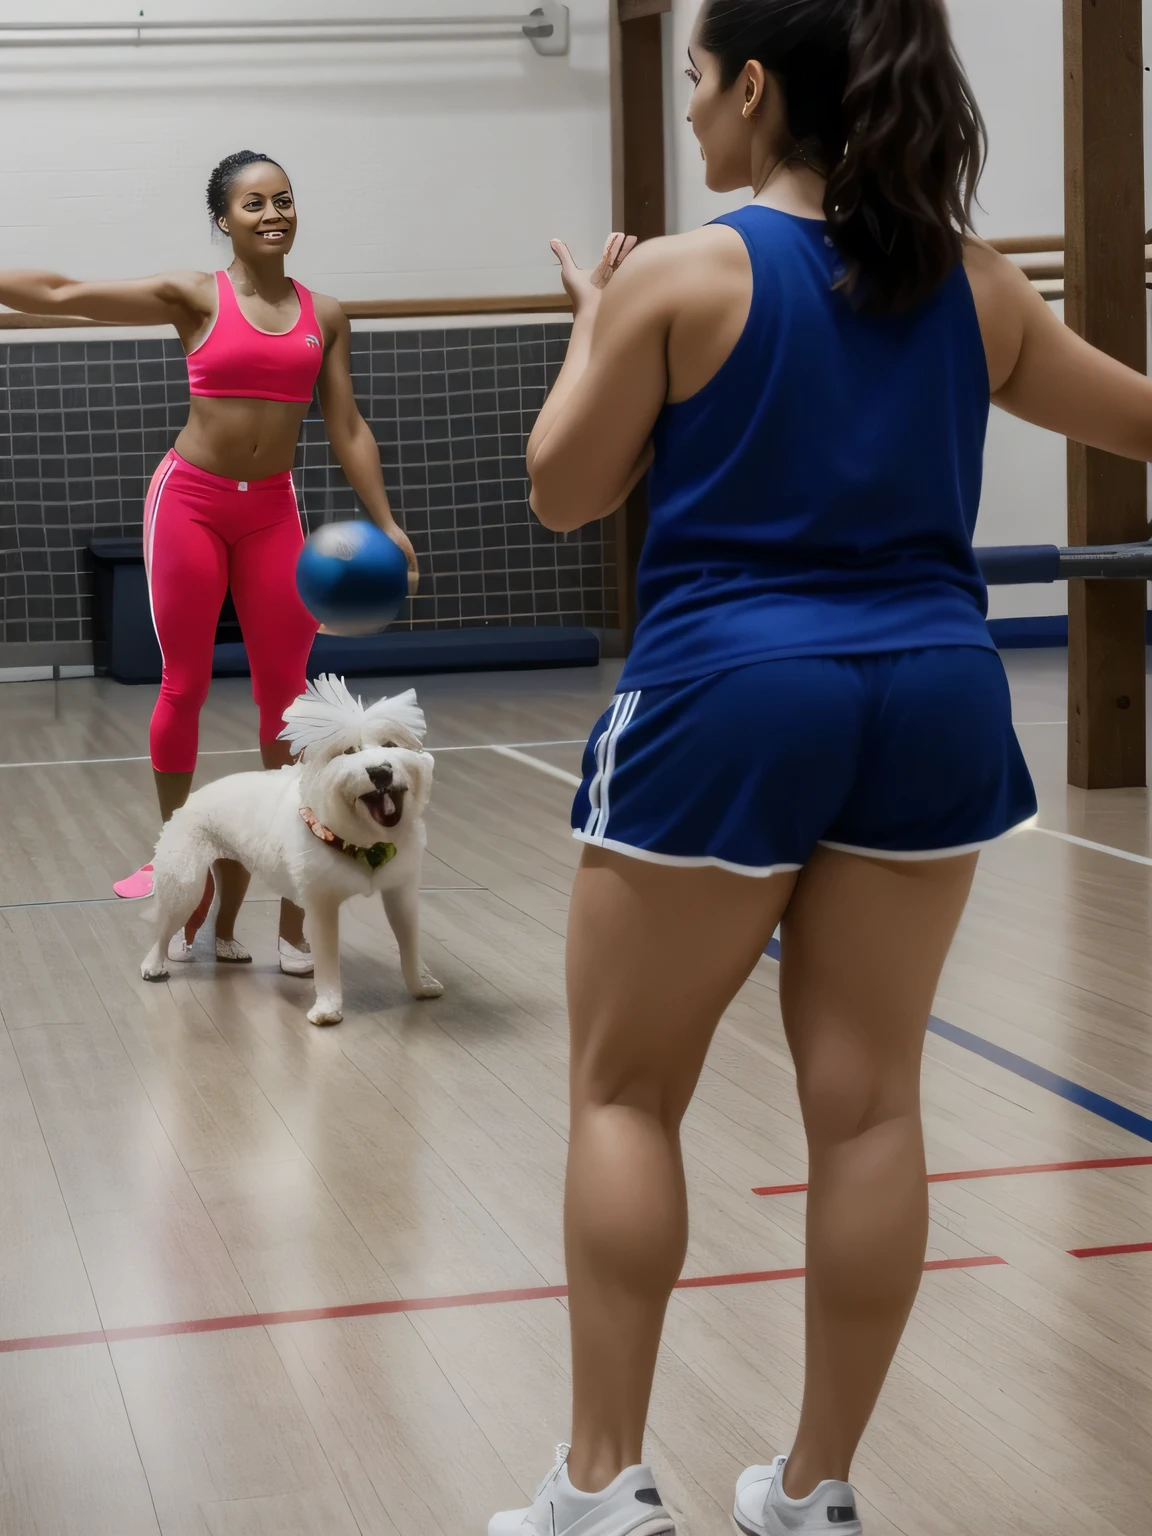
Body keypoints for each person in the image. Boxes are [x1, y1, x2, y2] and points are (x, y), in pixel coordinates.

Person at [489, 1, 1152, 1533]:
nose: (696, 118)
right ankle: (812, 1489)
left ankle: (601, 1489)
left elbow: (561, 494)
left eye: (700, 87)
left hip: (730, 695)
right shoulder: (976, 282)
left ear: (759, 88)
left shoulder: (686, 269)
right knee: (870, 1111)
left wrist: (596, 322)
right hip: (936, 695)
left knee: (625, 1094)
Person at [0, 150, 417, 974]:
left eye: (285, 200)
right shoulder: (195, 296)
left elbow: (348, 429)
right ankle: (174, 863)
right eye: (254, 203)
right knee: (183, 683)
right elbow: (60, 294)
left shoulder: (324, 314)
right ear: (224, 219)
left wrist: (387, 523)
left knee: (287, 711)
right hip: (189, 503)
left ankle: (298, 908)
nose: (273, 213)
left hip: (271, 514)